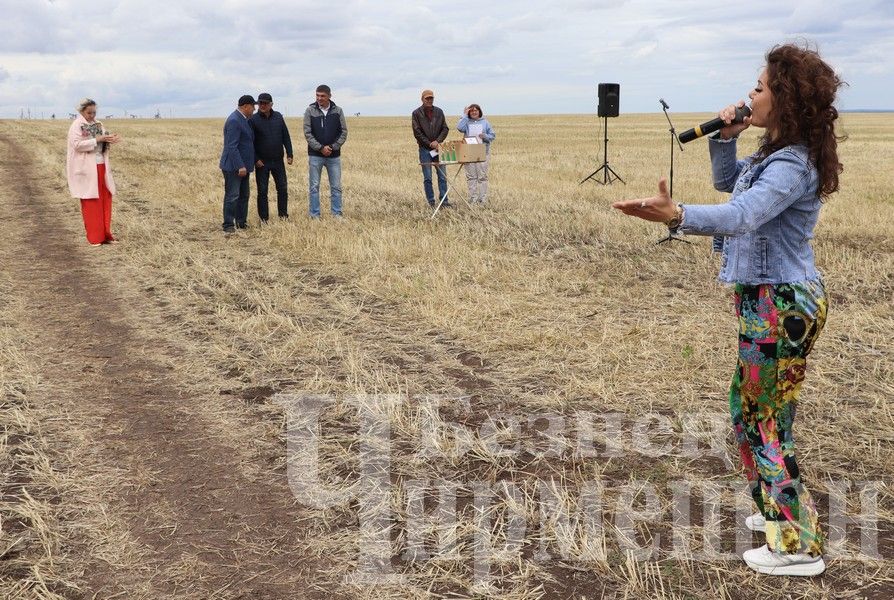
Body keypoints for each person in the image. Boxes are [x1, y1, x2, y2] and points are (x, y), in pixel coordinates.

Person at [613, 43, 844, 577]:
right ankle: (776, 509)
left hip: (781, 303)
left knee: (757, 416)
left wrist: (678, 216)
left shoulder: (792, 166)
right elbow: (729, 184)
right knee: (760, 411)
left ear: (783, 99)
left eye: (760, 88)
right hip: (771, 300)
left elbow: (742, 215)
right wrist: (724, 138)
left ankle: (796, 544)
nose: (749, 94)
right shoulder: (775, 154)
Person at [66, 98, 121, 246]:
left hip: (101, 165)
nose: (91, 115)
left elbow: (102, 139)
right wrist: (98, 140)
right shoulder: (76, 125)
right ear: (82, 111)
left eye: (94, 112)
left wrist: (109, 139)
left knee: (105, 200)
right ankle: (95, 237)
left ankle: (106, 235)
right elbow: (77, 145)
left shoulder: (98, 124)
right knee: (91, 202)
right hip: (86, 167)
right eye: (89, 112)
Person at [303, 84, 347, 219]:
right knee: (314, 187)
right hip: (315, 155)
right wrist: (321, 148)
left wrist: (333, 147)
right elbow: (307, 133)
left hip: (334, 156)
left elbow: (343, 132)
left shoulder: (338, 111)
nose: (319, 98)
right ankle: (314, 215)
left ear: (329, 96)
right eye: (317, 95)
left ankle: (337, 214)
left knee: (336, 187)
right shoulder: (310, 111)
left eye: (322, 96)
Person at [250, 92, 294, 222]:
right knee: (262, 192)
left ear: (271, 104)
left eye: (265, 103)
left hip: (278, 161)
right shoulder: (253, 120)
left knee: (282, 189)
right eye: (260, 103)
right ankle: (264, 219)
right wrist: (256, 159)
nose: (262, 105)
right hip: (262, 163)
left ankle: (283, 216)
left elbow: (286, 136)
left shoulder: (279, 117)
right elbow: (250, 143)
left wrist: (289, 154)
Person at [219, 95, 257, 233]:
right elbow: (231, 146)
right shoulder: (234, 120)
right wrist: (240, 165)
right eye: (253, 106)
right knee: (232, 195)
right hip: (234, 167)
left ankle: (241, 222)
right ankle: (228, 224)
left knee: (244, 195)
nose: (254, 109)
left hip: (244, 167)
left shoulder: (244, 119)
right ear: (246, 106)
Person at [411, 89, 449, 208]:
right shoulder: (416, 113)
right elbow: (417, 132)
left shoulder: (439, 111)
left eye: (431, 98)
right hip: (425, 149)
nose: (429, 100)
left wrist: (437, 141)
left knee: (442, 175)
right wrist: (429, 143)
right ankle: (431, 202)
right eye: (427, 98)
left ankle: (444, 201)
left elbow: (445, 128)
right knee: (428, 177)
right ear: (422, 99)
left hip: (438, 148)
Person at [456, 103, 496, 203]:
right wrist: (464, 115)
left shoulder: (485, 122)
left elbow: (492, 135)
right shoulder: (466, 122)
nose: (474, 112)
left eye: (476, 110)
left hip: (482, 151)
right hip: (468, 151)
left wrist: (485, 136)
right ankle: (472, 199)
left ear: (479, 111)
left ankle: (482, 199)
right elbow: (459, 128)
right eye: (472, 110)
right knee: (471, 177)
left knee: (482, 176)